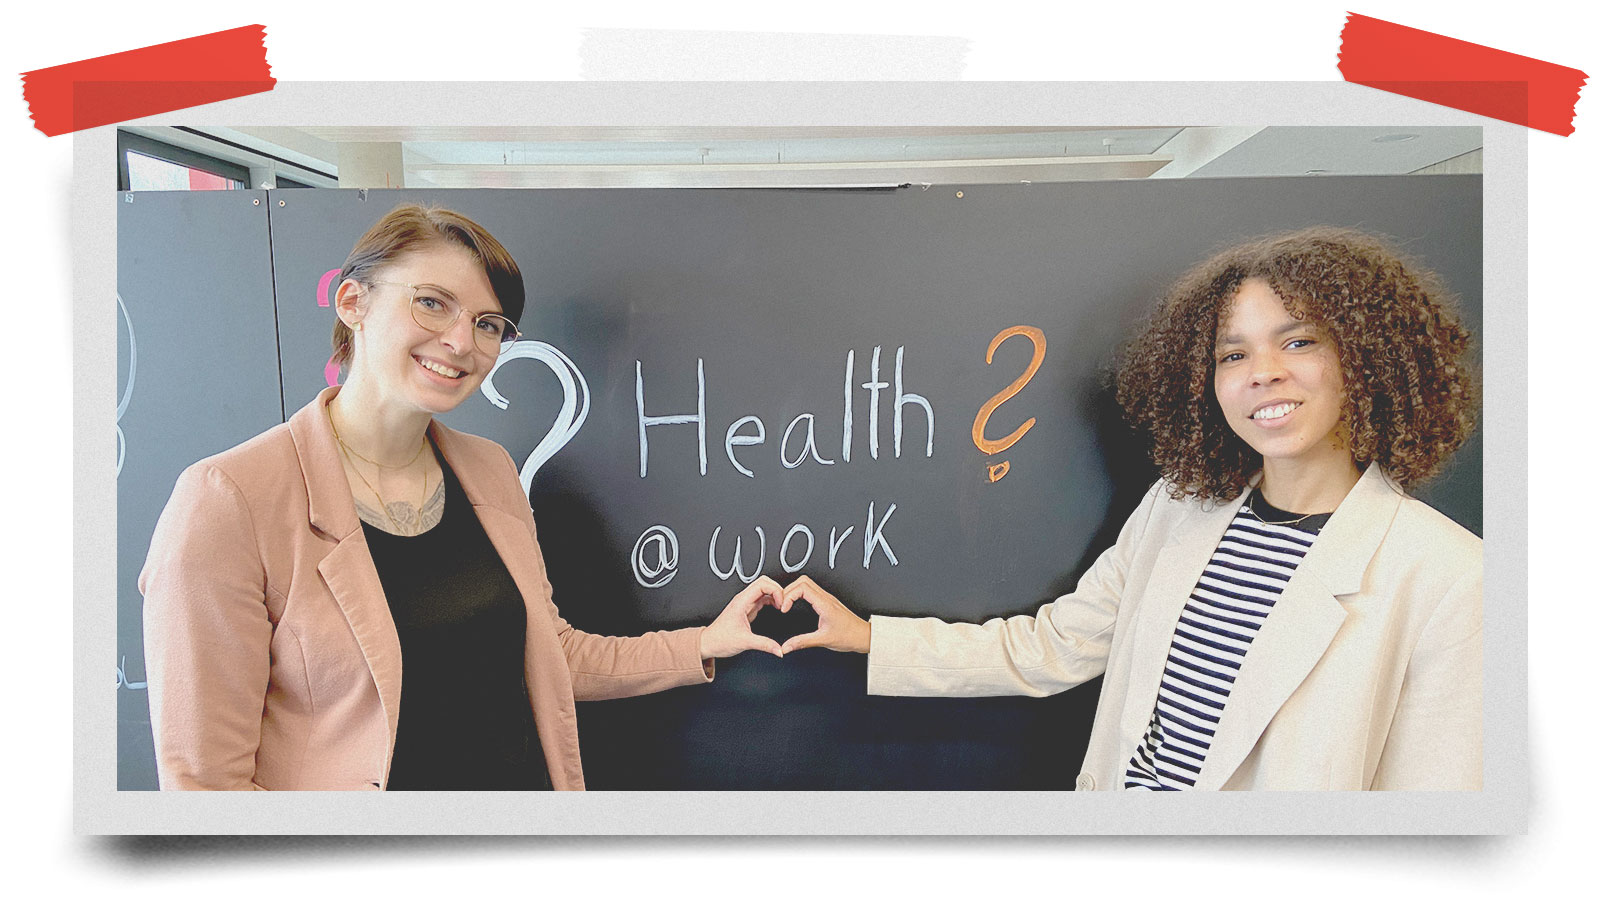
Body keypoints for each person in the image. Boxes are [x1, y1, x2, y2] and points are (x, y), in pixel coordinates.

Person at [780, 227, 1482, 791]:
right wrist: (870, 637)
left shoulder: (1450, 576)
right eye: (1232, 354)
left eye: (1298, 341)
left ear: (1366, 359)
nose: (1263, 371)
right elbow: (1054, 646)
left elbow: (1435, 805)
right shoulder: (1179, 509)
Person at [141, 203, 784, 791]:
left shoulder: (488, 471)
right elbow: (205, 787)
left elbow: (548, 654)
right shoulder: (228, 499)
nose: (461, 342)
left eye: (487, 323)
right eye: (431, 303)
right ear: (352, 302)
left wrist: (702, 642)